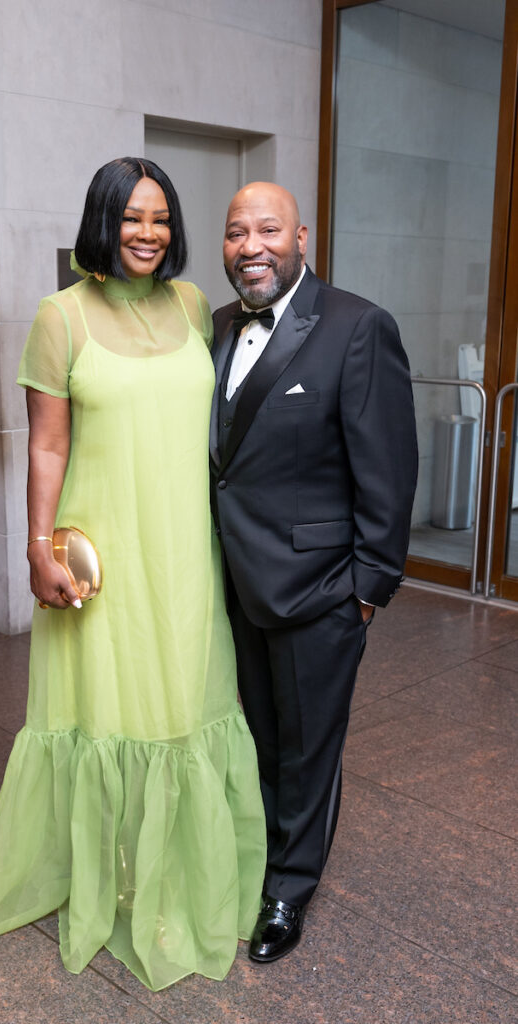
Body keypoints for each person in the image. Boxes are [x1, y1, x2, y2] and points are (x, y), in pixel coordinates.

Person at [0, 158, 266, 991]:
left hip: (186, 549)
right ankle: (109, 883)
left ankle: (181, 880)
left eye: (161, 218)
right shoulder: (59, 317)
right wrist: (34, 545)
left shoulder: (196, 304)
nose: (147, 233)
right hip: (105, 553)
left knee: (184, 702)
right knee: (109, 710)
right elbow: (48, 444)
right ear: (102, 220)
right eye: (131, 216)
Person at [209, 182, 418, 963]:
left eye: (267, 229)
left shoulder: (357, 327)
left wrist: (367, 590)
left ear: (302, 237)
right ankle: (256, 859)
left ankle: (288, 890)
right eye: (236, 232)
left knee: (307, 750)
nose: (251, 245)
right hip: (234, 583)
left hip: (320, 589)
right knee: (256, 738)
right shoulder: (219, 326)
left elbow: (388, 470)